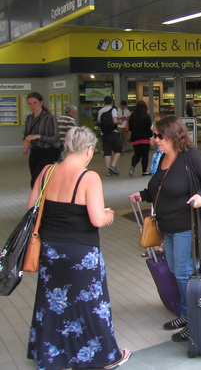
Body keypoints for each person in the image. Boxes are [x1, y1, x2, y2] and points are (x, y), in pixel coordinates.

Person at [27, 126, 131, 370]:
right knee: (91, 304)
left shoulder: (47, 171)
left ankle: (55, 357)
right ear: (89, 150)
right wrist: (110, 215)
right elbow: (96, 219)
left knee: (53, 303)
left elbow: (31, 208)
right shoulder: (89, 177)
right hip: (81, 253)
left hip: (50, 251)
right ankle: (105, 357)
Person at [128, 116, 201, 343]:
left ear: (174, 135)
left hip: (185, 226)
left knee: (183, 273)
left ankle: (194, 320)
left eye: (159, 136)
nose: (155, 140)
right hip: (167, 226)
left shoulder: (193, 157)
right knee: (175, 269)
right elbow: (161, 188)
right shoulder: (162, 157)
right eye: (154, 136)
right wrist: (143, 195)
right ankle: (185, 313)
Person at [23, 91, 59, 187]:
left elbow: (55, 138)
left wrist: (38, 136)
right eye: (30, 103)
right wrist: (26, 141)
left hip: (47, 153)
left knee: (38, 181)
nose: (32, 106)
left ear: (41, 103)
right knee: (35, 181)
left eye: (35, 103)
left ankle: (41, 201)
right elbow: (26, 134)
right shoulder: (29, 118)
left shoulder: (49, 118)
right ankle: (39, 201)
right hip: (34, 152)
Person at [97, 96, 122, 176]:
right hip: (113, 132)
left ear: (104, 102)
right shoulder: (113, 109)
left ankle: (108, 170)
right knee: (118, 150)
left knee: (107, 152)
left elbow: (99, 121)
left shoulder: (100, 111)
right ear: (112, 102)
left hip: (104, 134)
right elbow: (114, 121)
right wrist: (119, 122)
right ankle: (113, 165)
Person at [127, 100, 152, 177]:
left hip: (135, 138)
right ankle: (144, 171)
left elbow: (130, 128)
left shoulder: (132, 116)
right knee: (145, 155)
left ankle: (132, 166)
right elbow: (149, 128)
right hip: (145, 138)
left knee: (137, 154)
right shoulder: (147, 116)